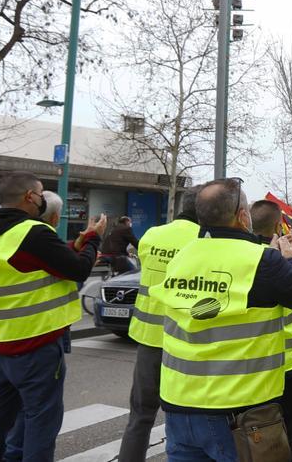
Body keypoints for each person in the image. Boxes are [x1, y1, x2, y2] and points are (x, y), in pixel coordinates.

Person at [154, 178, 292, 461]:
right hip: (236, 414)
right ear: (243, 216)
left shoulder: (182, 258)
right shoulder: (259, 261)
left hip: (178, 408)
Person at [0, 172, 105, 462]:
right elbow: (78, 270)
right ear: (30, 196)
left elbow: (30, 265)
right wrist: (93, 239)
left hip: (1, 340)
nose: (43, 198)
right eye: (41, 193)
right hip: (37, 342)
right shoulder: (32, 231)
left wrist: (75, 247)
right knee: (41, 420)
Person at [118, 186, 201, 462]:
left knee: (140, 416)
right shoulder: (204, 240)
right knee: (186, 418)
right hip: (186, 344)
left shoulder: (152, 235)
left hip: (149, 339)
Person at [248, 198, 292, 462]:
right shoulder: (275, 260)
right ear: (278, 224)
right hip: (286, 363)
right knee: (286, 431)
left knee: (253, 432)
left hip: (252, 360)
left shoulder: (244, 254)